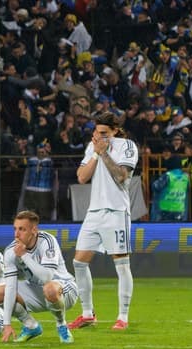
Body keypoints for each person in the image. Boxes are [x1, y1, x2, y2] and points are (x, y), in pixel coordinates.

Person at [69, 112, 139, 331]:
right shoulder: (93, 147)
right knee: (79, 262)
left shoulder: (127, 146)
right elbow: (81, 176)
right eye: (96, 132)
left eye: (103, 133)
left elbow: (121, 177)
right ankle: (88, 314)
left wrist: (105, 153)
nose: (98, 136)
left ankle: (123, 317)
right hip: (94, 212)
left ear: (115, 131)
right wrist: (96, 154)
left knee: (121, 263)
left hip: (116, 211)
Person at [0, 210, 77, 343]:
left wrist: (24, 256)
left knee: (50, 288)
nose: (16, 234)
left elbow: (47, 277)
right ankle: (31, 326)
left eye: (22, 229)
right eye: (15, 229)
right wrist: (7, 323)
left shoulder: (47, 241)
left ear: (34, 230)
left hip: (64, 290)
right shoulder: (10, 251)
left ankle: (61, 325)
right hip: (36, 290)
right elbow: (10, 287)